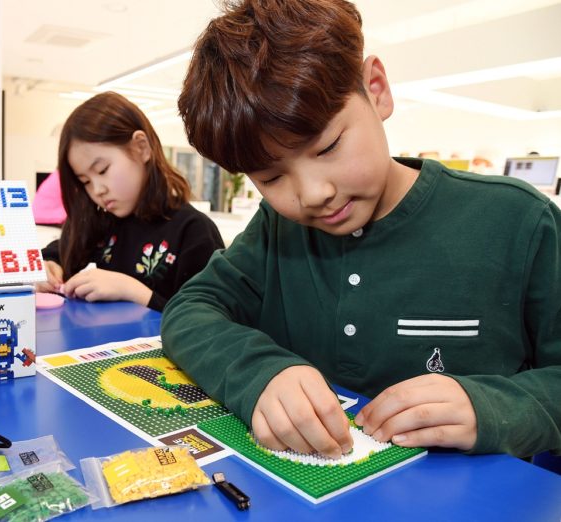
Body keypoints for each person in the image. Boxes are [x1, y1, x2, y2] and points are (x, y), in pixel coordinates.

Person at [162, 0, 561, 459]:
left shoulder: (517, 220)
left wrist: (496, 407)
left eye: (328, 147)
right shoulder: (277, 227)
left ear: (376, 90)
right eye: (271, 178)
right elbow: (190, 309)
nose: (313, 194)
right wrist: (258, 372)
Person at [38, 92, 224, 312]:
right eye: (85, 181)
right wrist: (48, 266)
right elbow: (59, 250)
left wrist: (133, 291)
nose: (97, 190)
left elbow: (208, 319)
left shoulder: (193, 231)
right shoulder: (97, 221)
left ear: (141, 147)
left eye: (102, 170)